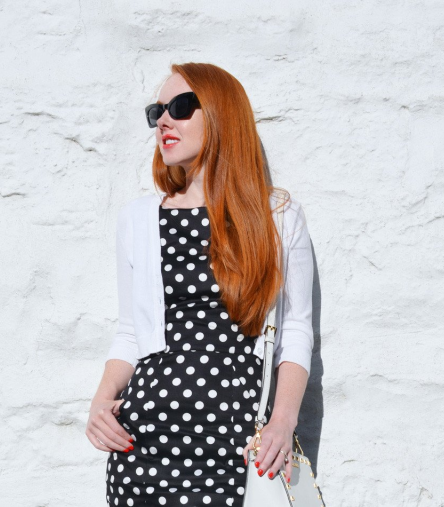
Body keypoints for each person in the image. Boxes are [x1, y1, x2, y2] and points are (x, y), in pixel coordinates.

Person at [86, 62, 314, 507]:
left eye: (182, 106)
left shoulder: (277, 217)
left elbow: (296, 331)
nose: (164, 120)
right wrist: (100, 401)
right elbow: (131, 331)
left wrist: (283, 422)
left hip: (239, 440)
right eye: (158, 112)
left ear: (222, 114)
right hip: (145, 443)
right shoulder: (138, 219)